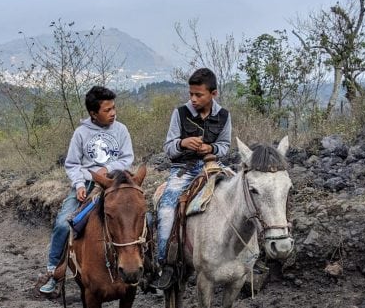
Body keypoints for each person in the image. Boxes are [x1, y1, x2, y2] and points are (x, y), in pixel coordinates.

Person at [39, 85, 134, 294]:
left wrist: (107, 169)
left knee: (141, 219)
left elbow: (127, 158)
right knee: (64, 224)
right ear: (93, 113)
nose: (113, 113)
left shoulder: (121, 130)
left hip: (116, 185)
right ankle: (54, 271)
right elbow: (72, 164)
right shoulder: (81, 133)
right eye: (107, 110)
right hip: (89, 186)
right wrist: (79, 185)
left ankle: (146, 269)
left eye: (114, 108)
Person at [153, 68, 231, 289]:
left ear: (213, 94)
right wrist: (182, 144)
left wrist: (211, 147)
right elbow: (168, 148)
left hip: (212, 165)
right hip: (184, 168)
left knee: (244, 192)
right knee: (167, 209)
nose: (193, 99)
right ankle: (165, 263)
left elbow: (225, 146)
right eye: (191, 94)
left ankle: (248, 255)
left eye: (199, 95)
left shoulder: (224, 115)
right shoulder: (179, 113)